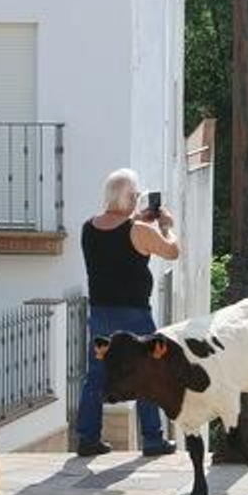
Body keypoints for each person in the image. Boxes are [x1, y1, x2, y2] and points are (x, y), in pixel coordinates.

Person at [75, 169, 179, 457]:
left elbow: (115, 234)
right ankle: (153, 439)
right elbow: (172, 252)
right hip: (134, 314)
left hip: (100, 312)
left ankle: (87, 438)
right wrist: (166, 226)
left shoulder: (88, 227)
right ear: (131, 197)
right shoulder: (140, 230)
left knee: (96, 375)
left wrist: (137, 220)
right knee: (146, 371)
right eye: (135, 195)